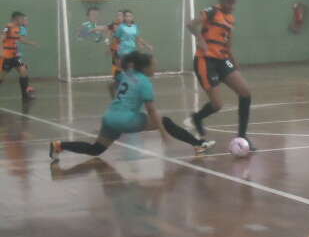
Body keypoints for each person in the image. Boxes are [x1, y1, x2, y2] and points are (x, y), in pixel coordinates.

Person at [49, 52, 215, 161]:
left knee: (96, 149)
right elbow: (152, 111)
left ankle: (59, 145)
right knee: (165, 121)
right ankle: (197, 144)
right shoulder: (145, 83)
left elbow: (110, 85)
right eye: (153, 65)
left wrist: (117, 102)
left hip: (110, 116)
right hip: (125, 120)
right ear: (145, 67)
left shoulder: (126, 74)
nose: (155, 67)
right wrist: (164, 134)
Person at [185, 0, 256, 151]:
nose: (232, 6)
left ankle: (242, 136)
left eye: (234, 3)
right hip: (205, 60)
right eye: (229, 2)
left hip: (223, 60)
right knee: (217, 105)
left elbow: (227, 41)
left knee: (245, 92)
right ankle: (197, 118)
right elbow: (190, 24)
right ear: (222, 0)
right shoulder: (211, 11)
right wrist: (200, 39)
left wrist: (233, 58)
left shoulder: (231, 18)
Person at [0, 11, 38, 100]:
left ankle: (25, 95)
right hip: (6, 56)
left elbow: (19, 38)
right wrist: (1, 52)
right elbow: (1, 39)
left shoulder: (18, 28)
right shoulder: (8, 27)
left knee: (23, 70)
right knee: (1, 76)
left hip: (15, 56)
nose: (23, 20)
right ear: (16, 18)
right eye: (21, 18)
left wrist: (31, 43)